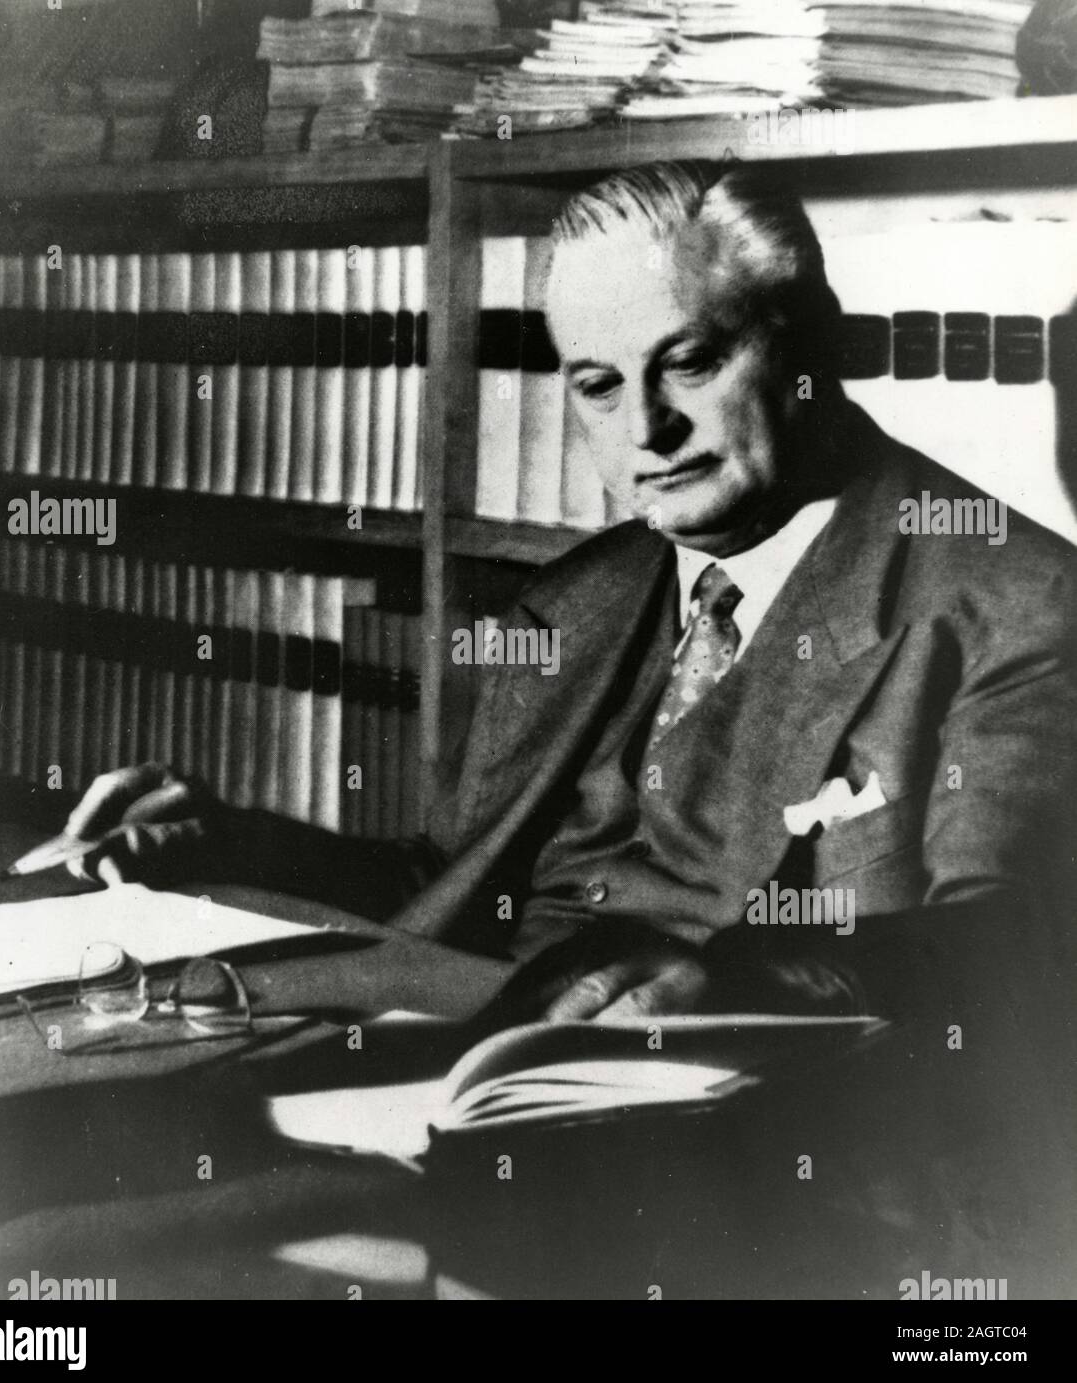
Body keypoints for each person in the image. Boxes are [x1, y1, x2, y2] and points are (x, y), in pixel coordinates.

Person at [60, 162, 1077, 1035]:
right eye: (596, 384)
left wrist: (736, 980)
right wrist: (228, 838)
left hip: (765, 1140)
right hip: (465, 1071)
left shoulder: (1018, 601)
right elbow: (458, 889)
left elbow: (1008, 951)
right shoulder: (570, 602)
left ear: (810, 348)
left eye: (688, 363)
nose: (643, 427)